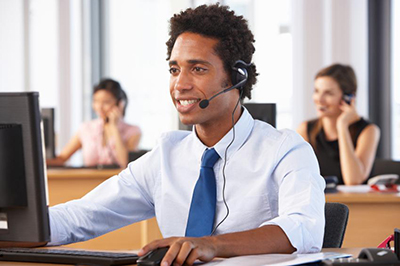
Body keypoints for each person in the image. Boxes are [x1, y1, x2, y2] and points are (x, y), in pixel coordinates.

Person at [48, 4, 325, 266]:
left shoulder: (285, 150)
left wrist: (212, 245)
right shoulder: (165, 156)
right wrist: (15, 228)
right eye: (174, 70)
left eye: (198, 69)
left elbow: (303, 228)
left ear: (237, 77)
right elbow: (80, 216)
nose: (180, 84)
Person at [297, 64, 380, 185]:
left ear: (348, 98)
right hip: (318, 202)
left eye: (328, 93)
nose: (319, 99)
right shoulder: (305, 129)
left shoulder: (368, 130)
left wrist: (342, 127)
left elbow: (353, 180)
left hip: (357, 203)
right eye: (317, 91)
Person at [46, 79, 141, 168]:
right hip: (90, 183)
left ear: (120, 104)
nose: (99, 107)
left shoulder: (133, 131)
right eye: (96, 101)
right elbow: (61, 159)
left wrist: (113, 127)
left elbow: (125, 163)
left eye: (106, 102)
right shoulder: (86, 128)